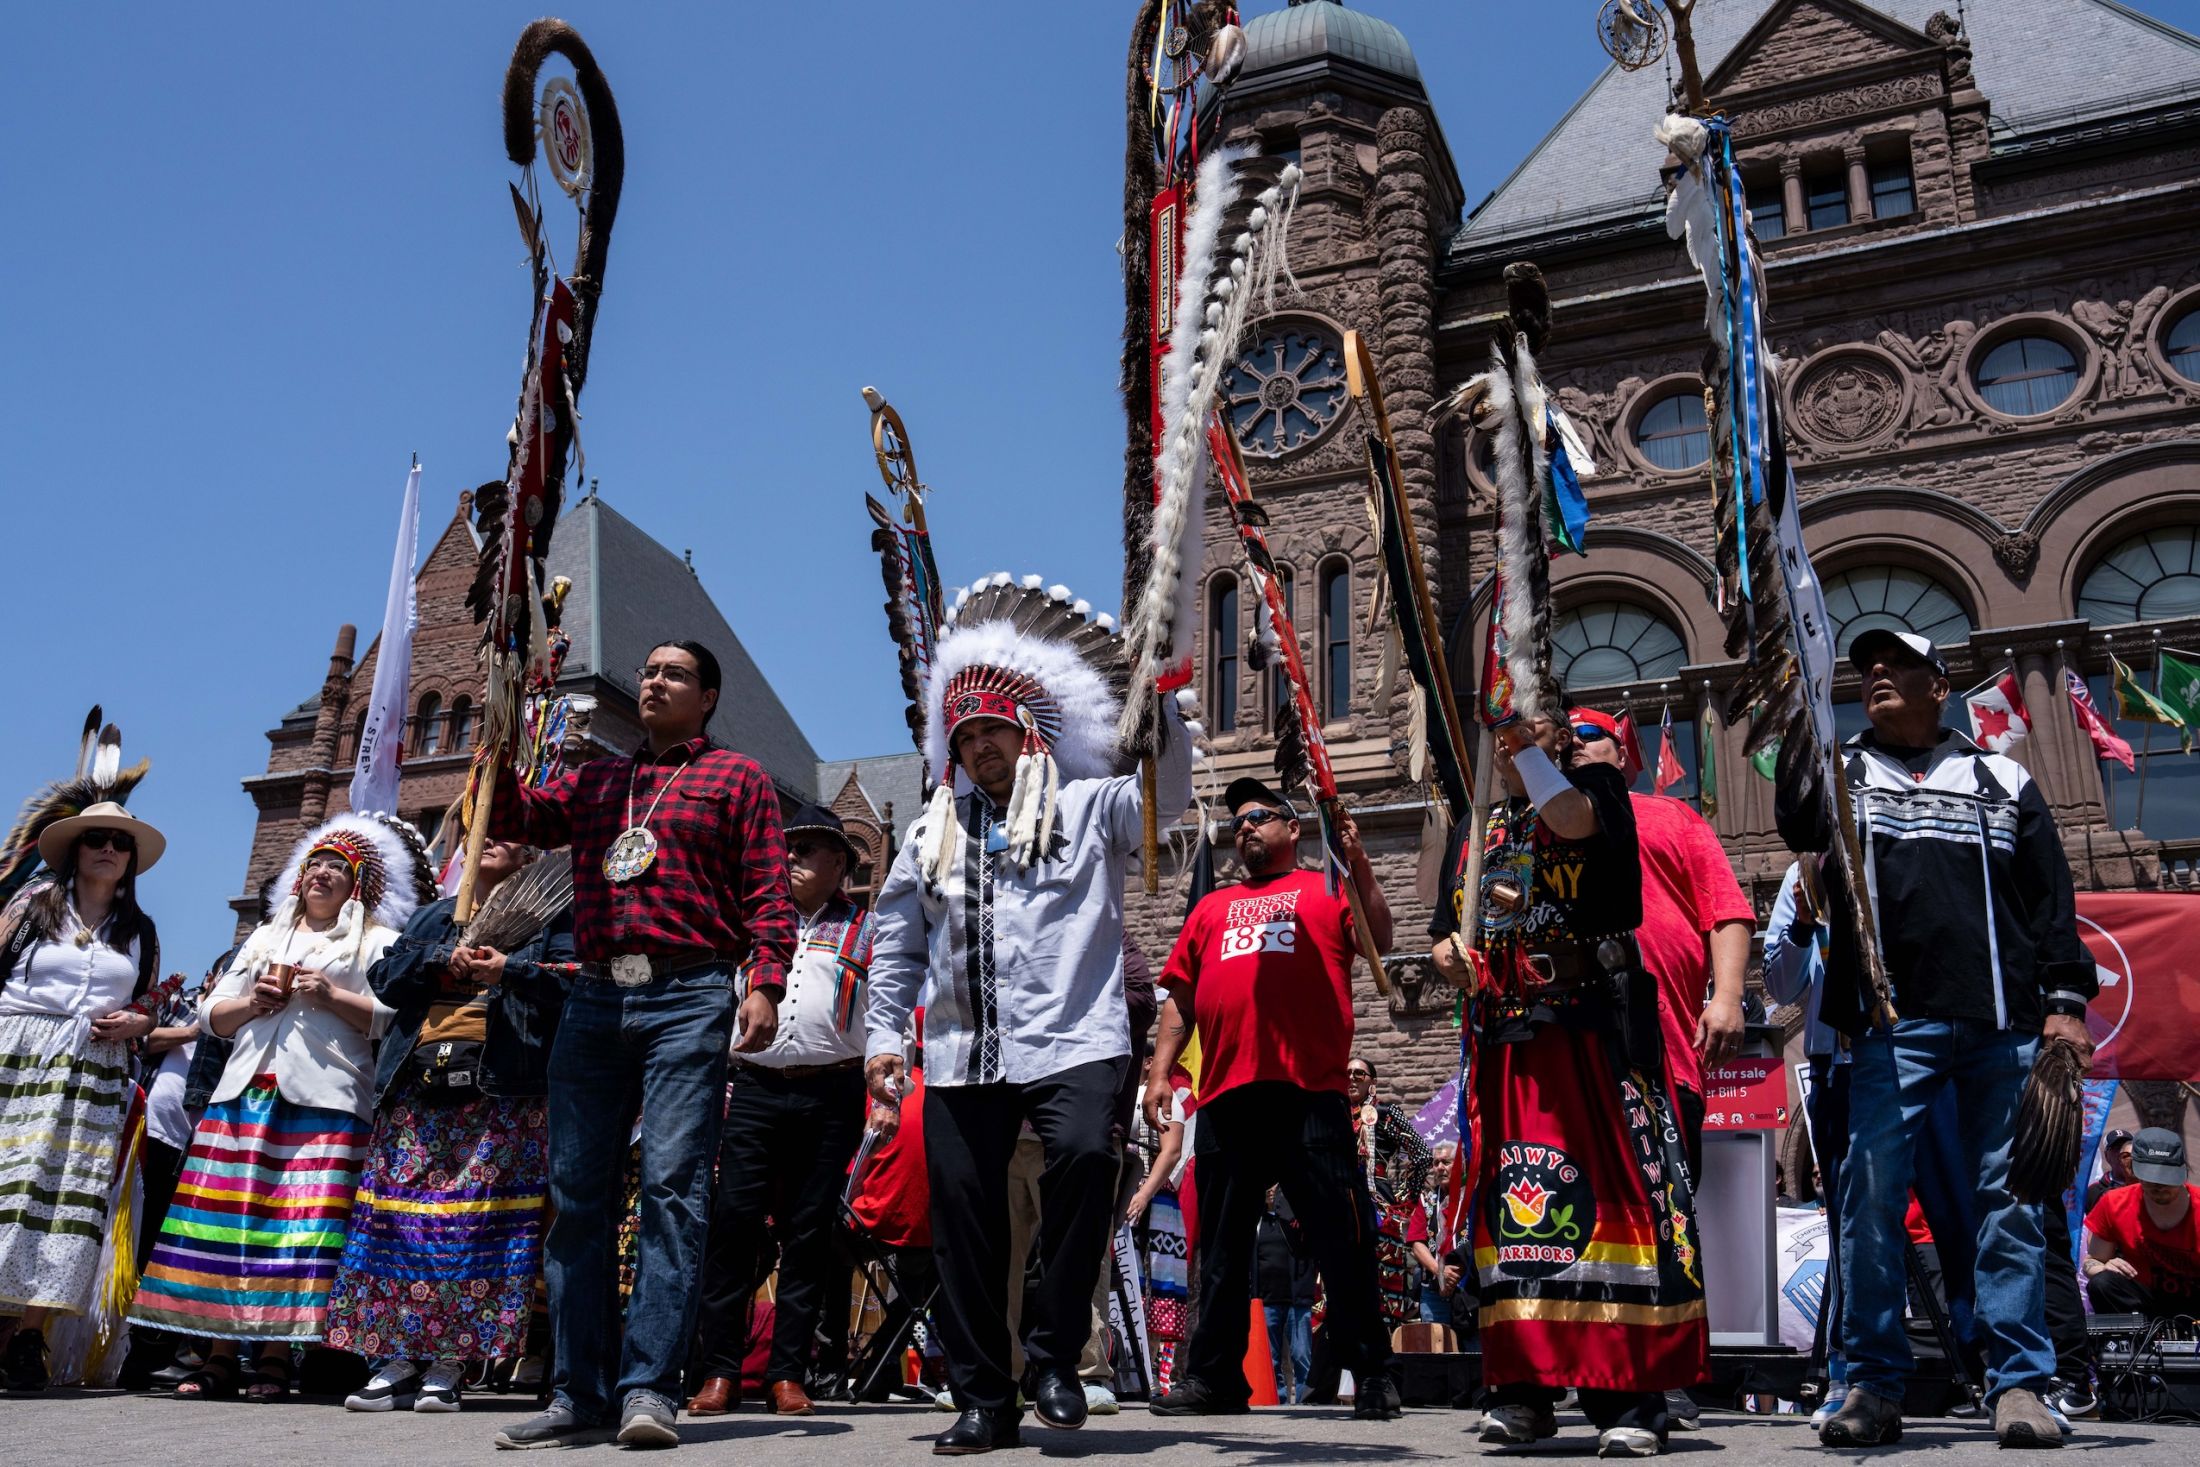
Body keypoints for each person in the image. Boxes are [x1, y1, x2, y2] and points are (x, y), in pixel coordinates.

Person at [864, 583, 1193, 1455]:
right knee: (965, 1217)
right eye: (965, 738)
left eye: (992, 733)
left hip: (1075, 1037)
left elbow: (1166, 792)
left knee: (1087, 1157)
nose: (979, 749)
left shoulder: (1091, 807)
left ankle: (1053, 1353)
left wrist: (1164, 706)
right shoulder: (930, 830)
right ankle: (983, 1397)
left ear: (1028, 733)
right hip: (963, 1049)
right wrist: (882, 1042)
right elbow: (896, 943)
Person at [485, 639, 798, 1450]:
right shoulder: (597, 780)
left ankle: (648, 1388)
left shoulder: (739, 778)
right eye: (648, 669)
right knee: (577, 1194)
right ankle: (575, 1390)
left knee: (670, 1187)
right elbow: (515, 816)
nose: (653, 681)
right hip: (592, 993)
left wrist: (764, 980)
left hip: (689, 993)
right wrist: (496, 736)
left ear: (709, 696)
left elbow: (769, 889)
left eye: (673, 674)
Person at [1801, 630, 2095, 1451]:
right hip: (1892, 1028)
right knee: (1872, 1201)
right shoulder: (1842, 776)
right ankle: (1871, 1382)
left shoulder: (2003, 778)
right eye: (1866, 669)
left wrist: (2065, 1004)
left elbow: (2051, 901)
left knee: (2011, 1208)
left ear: (1941, 683)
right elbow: (1799, 825)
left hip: (2002, 1025)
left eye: (1896, 664)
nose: (1877, 676)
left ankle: (2022, 1384)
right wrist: (1796, 730)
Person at [1429, 715, 1705, 1457]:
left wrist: (1524, 749)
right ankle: (1520, 1390)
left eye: (1532, 718)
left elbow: (1570, 820)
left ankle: (1628, 1394)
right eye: (1503, 722)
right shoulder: (1476, 825)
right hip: (1505, 1045)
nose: (1512, 730)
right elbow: (1444, 927)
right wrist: (1450, 956)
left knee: (1606, 1208)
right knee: (1520, 1218)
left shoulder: (1596, 787)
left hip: (1592, 1036)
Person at [129, 812, 426, 1400]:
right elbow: (211, 1014)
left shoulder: (380, 943)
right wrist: (254, 1003)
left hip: (327, 1099)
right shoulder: (265, 937)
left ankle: (272, 1357)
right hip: (244, 1093)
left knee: (296, 1228)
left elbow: (395, 1024)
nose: (321, 873)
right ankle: (216, 1354)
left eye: (337, 867)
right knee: (225, 1223)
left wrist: (331, 994)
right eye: (315, 862)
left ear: (359, 884)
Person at [1146, 775, 1399, 1421]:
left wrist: (1360, 859)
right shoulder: (1210, 907)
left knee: (1342, 1241)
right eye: (1238, 821)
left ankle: (1372, 1372)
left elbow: (1381, 937)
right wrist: (1159, 1071)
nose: (1245, 826)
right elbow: (1180, 994)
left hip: (1308, 1092)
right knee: (1223, 1250)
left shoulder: (1326, 888)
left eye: (1259, 816)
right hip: (1228, 1095)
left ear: (1293, 827)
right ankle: (1215, 1380)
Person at [324, 838, 575, 1413]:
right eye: (481, 831)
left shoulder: (552, 913)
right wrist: (441, 957)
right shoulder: (437, 913)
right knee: (396, 1224)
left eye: (508, 835)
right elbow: (385, 978)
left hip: (500, 1091)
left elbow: (574, 983)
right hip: (416, 1084)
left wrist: (510, 968)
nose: (489, 841)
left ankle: (448, 1363)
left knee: (475, 1229)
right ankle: (391, 1361)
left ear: (529, 855)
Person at [687, 804, 872, 1420]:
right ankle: (718, 1370)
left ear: (840, 863)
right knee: (734, 1224)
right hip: (756, 1088)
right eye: (786, 847)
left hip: (833, 1090)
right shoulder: (750, 922)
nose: (791, 857)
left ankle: (789, 1373)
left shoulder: (867, 929)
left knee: (810, 1230)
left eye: (809, 849)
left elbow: (889, 1011)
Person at [0, 798, 166, 1392]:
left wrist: (138, 1023)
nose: (108, 849)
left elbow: (151, 1001)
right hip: (17, 1054)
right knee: (8, 1186)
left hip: (92, 1073)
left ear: (131, 862)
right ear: (75, 848)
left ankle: (28, 1337)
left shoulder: (139, 931)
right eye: (96, 837)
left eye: (120, 844)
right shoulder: (30, 906)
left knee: (66, 1200)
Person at [1567, 707, 1751, 1170]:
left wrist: (1727, 997)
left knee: (1670, 1217)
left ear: (1622, 751)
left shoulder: (1673, 815)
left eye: (1589, 734)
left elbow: (1726, 909)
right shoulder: (1533, 825)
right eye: (1562, 738)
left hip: (1664, 1052)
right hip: (1568, 1060)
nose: (1574, 744)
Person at [1761, 859, 1852, 1428]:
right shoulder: (1807, 871)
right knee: (1850, 1228)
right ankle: (1851, 1372)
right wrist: (1799, 921)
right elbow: (1780, 982)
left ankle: (2000, 1372)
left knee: (1965, 1212)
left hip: (1928, 1049)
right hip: (1840, 1060)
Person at [1349, 1057, 1432, 1339]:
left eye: (1359, 1073)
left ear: (1372, 1081)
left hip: (1378, 1213)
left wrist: (1404, 1202)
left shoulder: (1384, 1113)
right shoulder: (1334, 1115)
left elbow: (1421, 1154)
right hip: (1341, 1211)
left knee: (1379, 1295)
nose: (1351, 1078)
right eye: (1347, 1073)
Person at [2083, 1128, 2200, 1322]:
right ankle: (2128, 1347)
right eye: (2152, 1181)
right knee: (2102, 1283)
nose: (2160, 1187)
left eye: (2167, 1180)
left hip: (2194, 1298)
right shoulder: (2113, 1202)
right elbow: (2091, 1261)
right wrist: (2104, 1266)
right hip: (2143, 1299)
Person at [1253, 1188, 1315, 1404]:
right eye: (1266, 1187)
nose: (1270, 1191)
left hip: (1296, 1298)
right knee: (1271, 1358)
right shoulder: (1257, 1223)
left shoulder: (1294, 1222)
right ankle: (1277, 1399)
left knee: (1301, 1355)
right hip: (1267, 1300)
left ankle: (1305, 1401)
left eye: (1275, 1187)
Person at [2085, 1131, 2136, 1215]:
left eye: (2127, 1146)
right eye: (2117, 1148)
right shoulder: (2093, 1193)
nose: (2122, 1152)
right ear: (2106, 1156)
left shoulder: (2148, 1183)